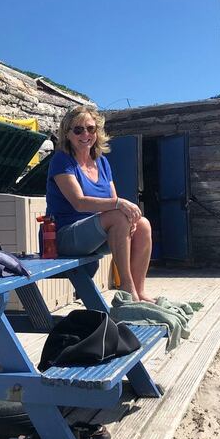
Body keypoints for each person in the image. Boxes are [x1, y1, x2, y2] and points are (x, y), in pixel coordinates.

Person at [46, 104, 154, 302]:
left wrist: (127, 215)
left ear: (97, 132)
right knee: (118, 216)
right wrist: (120, 205)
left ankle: (140, 290)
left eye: (90, 128)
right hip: (63, 236)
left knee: (143, 225)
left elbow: (110, 201)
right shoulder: (61, 160)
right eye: (78, 129)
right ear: (67, 134)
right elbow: (79, 203)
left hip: (95, 235)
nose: (85, 134)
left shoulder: (102, 162)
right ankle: (126, 288)